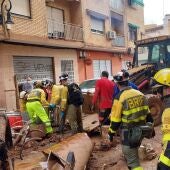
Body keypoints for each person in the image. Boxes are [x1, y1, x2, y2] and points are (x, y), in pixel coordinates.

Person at [108, 72, 154, 170]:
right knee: (133, 154)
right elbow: (149, 115)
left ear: (117, 83)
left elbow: (115, 120)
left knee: (133, 163)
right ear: (128, 81)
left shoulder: (119, 97)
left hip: (128, 133)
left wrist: (111, 133)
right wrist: (151, 128)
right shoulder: (140, 94)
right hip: (141, 131)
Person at [154, 69, 170, 170]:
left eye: (160, 89)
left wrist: (163, 164)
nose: (157, 94)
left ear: (168, 89)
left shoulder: (168, 110)